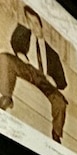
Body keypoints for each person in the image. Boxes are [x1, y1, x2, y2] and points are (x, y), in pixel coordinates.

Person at [0, 5, 68, 144]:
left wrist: (52, 80)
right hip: (28, 69)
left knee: (60, 101)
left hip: (44, 80)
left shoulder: (53, 55)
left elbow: (62, 83)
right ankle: (6, 97)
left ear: (42, 26)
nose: (34, 27)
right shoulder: (24, 33)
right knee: (4, 58)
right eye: (31, 23)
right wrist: (19, 53)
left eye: (36, 23)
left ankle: (56, 135)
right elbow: (14, 42)